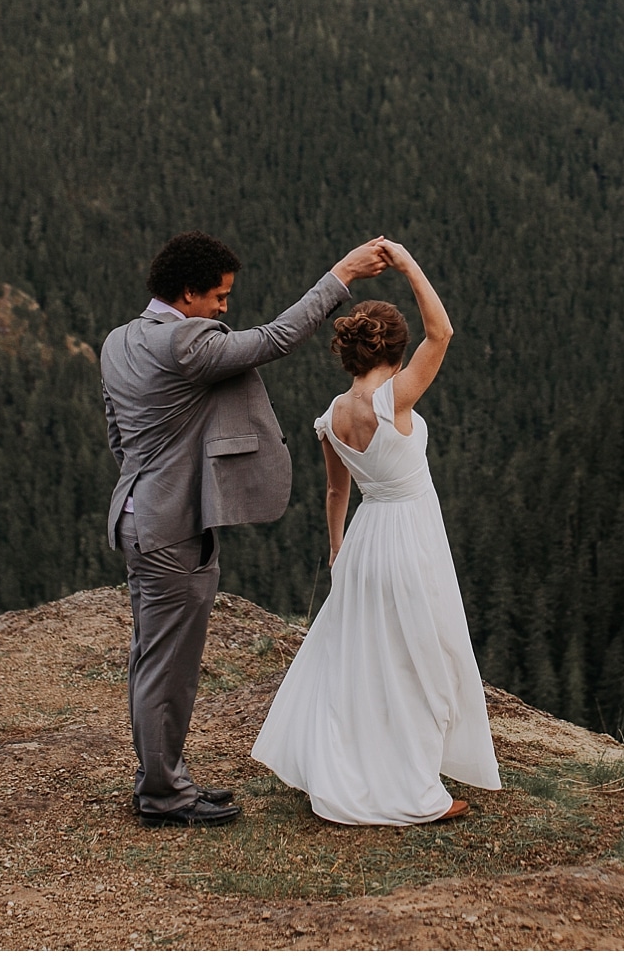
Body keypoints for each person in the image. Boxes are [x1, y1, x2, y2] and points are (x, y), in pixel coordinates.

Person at [101, 230, 390, 826]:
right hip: (171, 527)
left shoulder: (117, 341)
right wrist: (343, 275)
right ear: (187, 294)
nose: (225, 310)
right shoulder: (187, 343)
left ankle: (162, 777)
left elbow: (117, 433)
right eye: (219, 297)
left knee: (150, 656)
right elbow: (276, 338)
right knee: (168, 665)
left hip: (134, 515)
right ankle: (162, 794)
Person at [251, 238, 501, 825]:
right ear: (394, 347)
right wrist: (411, 262)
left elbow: (337, 492)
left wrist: (338, 547)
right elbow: (442, 333)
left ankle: (353, 764)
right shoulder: (396, 400)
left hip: (365, 541)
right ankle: (412, 786)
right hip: (412, 538)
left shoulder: (331, 417)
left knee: (365, 660)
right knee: (420, 659)